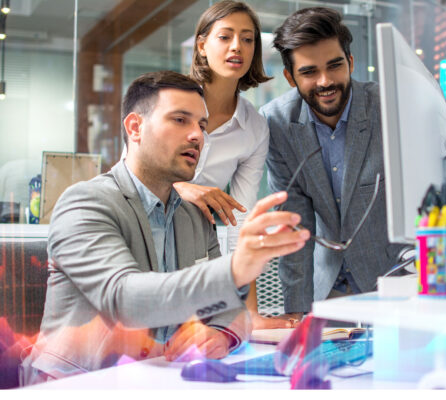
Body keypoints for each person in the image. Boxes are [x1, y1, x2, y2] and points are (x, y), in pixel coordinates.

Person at [20, 71, 309, 385]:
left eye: (201, 125)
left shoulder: (195, 215)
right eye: (180, 120)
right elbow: (125, 300)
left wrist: (220, 334)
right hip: (78, 384)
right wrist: (234, 269)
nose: (197, 135)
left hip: (161, 381)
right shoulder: (84, 203)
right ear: (135, 127)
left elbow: (233, 310)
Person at [261, 7, 401, 319]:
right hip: (327, 289)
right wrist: (297, 314)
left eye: (335, 66)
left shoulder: (389, 107)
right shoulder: (278, 123)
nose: (325, 81)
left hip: (393, 282)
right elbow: (294, 227)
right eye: (309, 72)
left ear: (350, 62)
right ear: (290, 77)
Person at [172, 1, 288, 329]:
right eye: (225, 37)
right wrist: (183, 188)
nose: (237, 46)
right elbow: (130, 177)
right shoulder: (169, 100)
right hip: (138, 243)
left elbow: (242, 222)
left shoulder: (254, 127)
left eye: (247, 39)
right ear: (202, 45)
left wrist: (250, 314)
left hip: (194, 256)